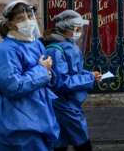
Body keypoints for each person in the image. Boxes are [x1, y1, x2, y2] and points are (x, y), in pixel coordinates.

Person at [0, 0, 59, 151]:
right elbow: (12, 86)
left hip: (42, 115)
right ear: (11, 24)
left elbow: (48, 75)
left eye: (30, 16)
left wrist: (49, 72)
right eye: (20, 18)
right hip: (20, 122)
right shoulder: (6, 50)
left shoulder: (35, 43)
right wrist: (42, 70)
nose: (28, 21)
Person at [42, 9, 101, 151]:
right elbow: (62, 82)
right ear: (66, 29)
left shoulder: (68, 45)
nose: (79, 32)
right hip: (64, 104)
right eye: (77, 29)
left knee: (61, 141)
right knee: (81, 141)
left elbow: (74, 71)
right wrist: (89, 77)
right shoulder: (55, 50)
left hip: (68, 102)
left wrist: (89, 74)